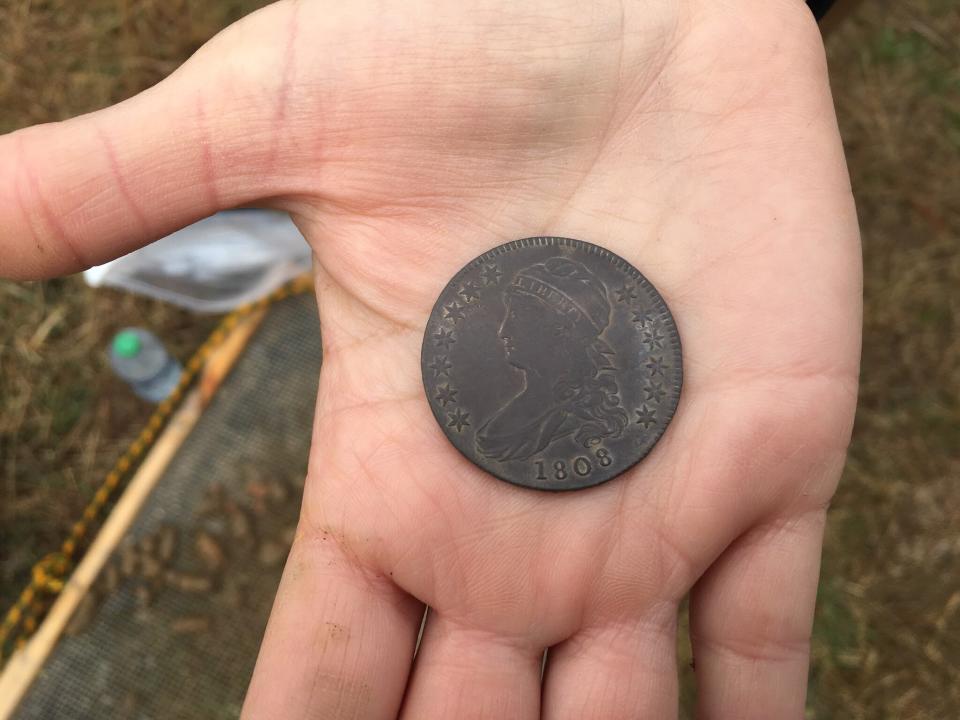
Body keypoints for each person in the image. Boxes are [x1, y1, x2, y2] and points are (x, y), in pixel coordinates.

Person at [0, 0, 861, 717]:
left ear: (563, 341)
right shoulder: (526, 409)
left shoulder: (576, 417)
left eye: (520, 322)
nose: (500, 335)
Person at [477, 256, 629, 462]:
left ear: (560, 329)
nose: (504, 331)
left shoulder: (578, 423)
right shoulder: (505, 420)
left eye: (517, 316)